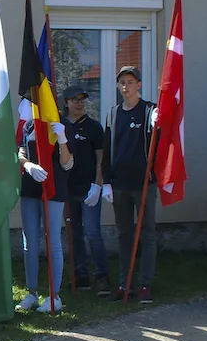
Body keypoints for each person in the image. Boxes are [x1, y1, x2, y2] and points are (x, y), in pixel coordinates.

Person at [101, 66, 158, 302]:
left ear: (139, 85)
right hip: (119, 184)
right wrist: (106, 182)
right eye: (123, 82)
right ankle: (125, 284)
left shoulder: (150, 111)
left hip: (144, 183)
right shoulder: (113, 114)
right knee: (124, 234)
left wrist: (158, 124)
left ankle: (145, 284)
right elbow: (107, 150)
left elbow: (162, 141)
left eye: (131, 82)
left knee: (147, 233)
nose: (126, 86)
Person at [15, 103, 74, 312]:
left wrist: (62, 139)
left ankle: (54, 296)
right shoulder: (30, 124)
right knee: (29, 242)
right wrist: (27, 165)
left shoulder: (62, 124)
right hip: (30, 189)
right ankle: (31, 293)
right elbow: (20, 151)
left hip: (53, 190)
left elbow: (67, 163)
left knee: (53, 241)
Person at [61, 86, 109, 294]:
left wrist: (97, 185)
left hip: (89, 189)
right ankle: (80, 275)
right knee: (74, 234)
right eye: (75, 99)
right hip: (67, 189)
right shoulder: (60, 126)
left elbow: (101, 160)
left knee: (92, 232)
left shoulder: (93, 127)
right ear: (66, 102)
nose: (79, 103)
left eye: (82, 99)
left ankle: (102, 276)